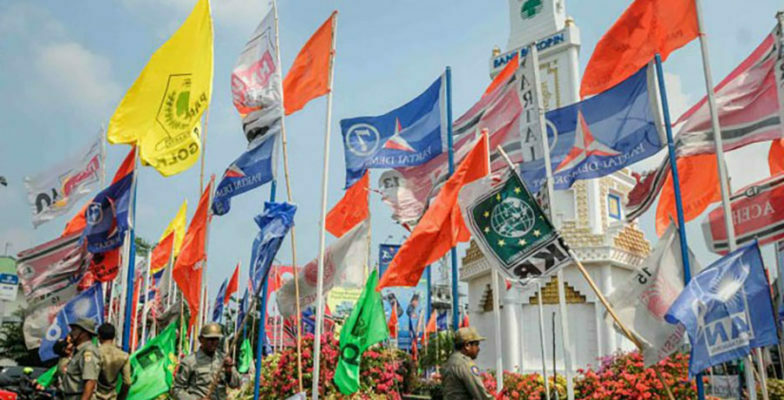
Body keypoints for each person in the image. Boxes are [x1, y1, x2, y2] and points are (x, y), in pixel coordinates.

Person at [172, 323, 240, 400]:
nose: (213, 342)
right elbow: (176, 389)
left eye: (216, 339)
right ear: (201, 339)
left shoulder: (223, 359)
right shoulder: (189, 361)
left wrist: (229, 371)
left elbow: (236, 385)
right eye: (209, 339)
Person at [442, 327, 493, 400]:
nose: (478, 349)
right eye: (476, 344)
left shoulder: (450, 361)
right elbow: (480, 394)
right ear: (467, 346)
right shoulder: (465, 364)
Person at [61, 319, 101, 400]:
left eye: (74, 330)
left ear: (84, 333)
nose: (71, 333)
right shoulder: (78, 351)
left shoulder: (88, 351)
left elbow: (90, 381)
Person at [94, 323, 131, 400]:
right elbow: (127, 382)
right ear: (114, 337)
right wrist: (121, 398)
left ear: (99, 336)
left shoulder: (95, 353)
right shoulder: (124, 356)